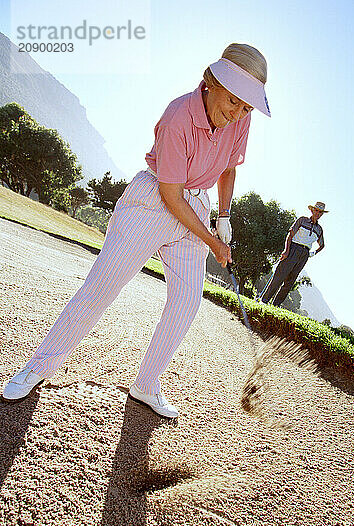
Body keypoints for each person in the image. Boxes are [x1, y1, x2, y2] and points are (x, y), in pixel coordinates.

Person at [2, 43, 271, 418]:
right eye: (235, 102)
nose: (239, 113)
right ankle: (40, 365)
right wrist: (212, 240)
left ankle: (146, 384)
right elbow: (171, 196)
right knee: (101, 288)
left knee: (186, 302)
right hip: (154, 200)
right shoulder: (178, 116)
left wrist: (223, 216)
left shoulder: (240, 120)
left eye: (247, 107)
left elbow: (228, 169)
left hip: (197, 205)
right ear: (212, 83)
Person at [260, 202, 327, 306]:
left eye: (320, 212)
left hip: (304, 254)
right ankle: (264, 301)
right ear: (312, 210)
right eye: (316, 210)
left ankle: (276, 305)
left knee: (290, 281)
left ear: (322, 214)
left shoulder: (319, 229)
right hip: (293, 249)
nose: (318, 213)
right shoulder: (302, 220)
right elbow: (290, 235)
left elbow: (322, 245)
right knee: (279, 276)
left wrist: (314, 253)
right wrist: (286, 251)